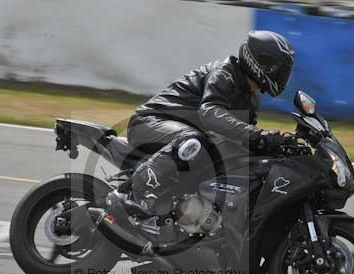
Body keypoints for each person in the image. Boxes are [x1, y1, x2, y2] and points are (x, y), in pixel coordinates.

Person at [122, 30, 295, 216]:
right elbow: (210, 113)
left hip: (184, 141)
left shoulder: (251, 97)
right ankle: (136, 190)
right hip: (150, 121)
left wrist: (278, 146)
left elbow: (241, 140)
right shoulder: (224, 73)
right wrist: (256, 135)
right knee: (193, 140)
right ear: (260, 63)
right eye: (279, 70)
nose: (282, 76)